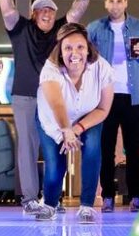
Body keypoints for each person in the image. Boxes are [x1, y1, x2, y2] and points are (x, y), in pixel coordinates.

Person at [0, 0, 94, 215]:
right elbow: (7, 10)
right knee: (28, 147)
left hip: (53, 100)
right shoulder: (20, 29)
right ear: (33, 14)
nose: (48, 13)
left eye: (51, 11)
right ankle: (30, 199)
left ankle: (52, 197)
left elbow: (76, 11)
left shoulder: (61, 32)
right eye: (42, 10)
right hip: (25, 97)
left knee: (55, 146)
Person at [87, 0, 139, 212]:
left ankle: (136, 196)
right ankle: (107, 196)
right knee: (105, 149)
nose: (115, 5)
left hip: (132, 95)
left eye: (119, 1)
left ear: (126, 3)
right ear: (105, 4)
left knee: (132, 149)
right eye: (111, 1)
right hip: (104, 96)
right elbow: (82, 54)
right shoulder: (95, 28)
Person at [36, 23, 114, 223]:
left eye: (80, 47)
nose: (74, 53)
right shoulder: (50, 69)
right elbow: (57, 105)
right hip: (53, 120)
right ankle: (50, 204)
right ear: (60, 52)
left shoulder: (102, 67)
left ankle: (87, 206)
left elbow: (103, 109)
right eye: (68, 48)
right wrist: (66, 131)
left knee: (93, 149)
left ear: (88, 48)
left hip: (89, 115)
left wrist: (78, 128)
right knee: (55, 166)